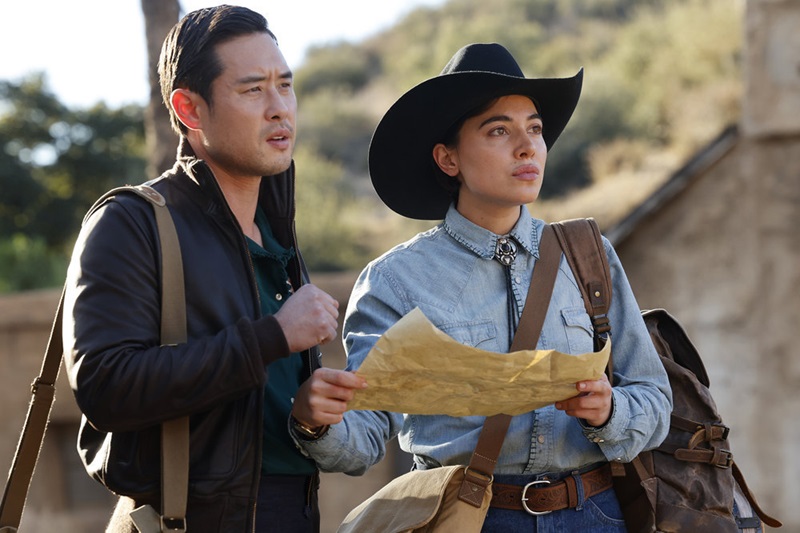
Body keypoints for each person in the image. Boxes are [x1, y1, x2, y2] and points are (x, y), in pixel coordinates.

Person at [289, 43, 673, 531]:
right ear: (448, 159)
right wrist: (316, 421)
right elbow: (365, 435)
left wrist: (608, 411)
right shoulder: (395, 280)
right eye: (499, 130)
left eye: (534, 128)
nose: (527, 145)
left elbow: (656, 401)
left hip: (597, 514)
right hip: (467, 519)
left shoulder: (589, 254)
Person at [62, 5, 340, 532]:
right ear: (189, 110)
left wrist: (310, 411)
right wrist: (271, 337)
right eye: (253, 89)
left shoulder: (278, 234)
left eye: (286, 85)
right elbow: (105, 386)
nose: (280, 108)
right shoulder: (130, 222)